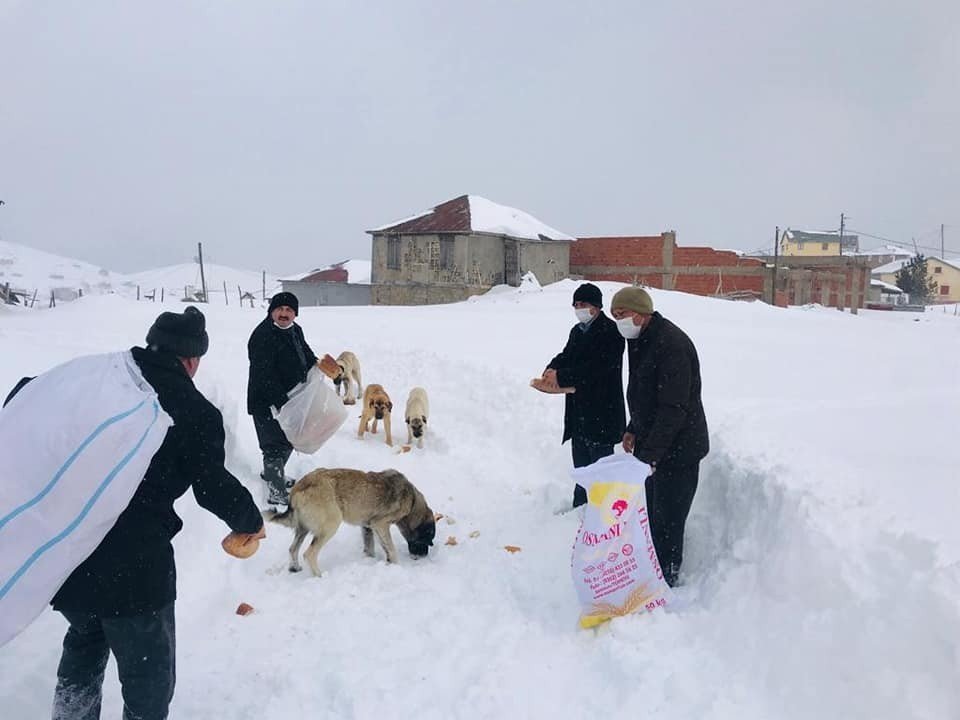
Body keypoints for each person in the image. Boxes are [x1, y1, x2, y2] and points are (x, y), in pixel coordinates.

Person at [48, 306, 265, 720]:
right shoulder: (193, 409)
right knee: (148, 676)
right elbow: (211, 485)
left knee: (84, 641)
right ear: (191, 359)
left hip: (74, 552)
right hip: (135, 568)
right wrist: (249, 520)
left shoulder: (103, 381)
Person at [610, 286, 709, 587]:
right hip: (656, 446)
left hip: (680, 450)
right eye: (615, 316)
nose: (618, 321)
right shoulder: (640, 338)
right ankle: (653, 568)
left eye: (621, 314)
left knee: (669, 520)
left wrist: (650, 456)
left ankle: (667, 578)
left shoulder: (672, 345)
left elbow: (673, 410)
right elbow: (645, 395)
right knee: (653, 515)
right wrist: (632, 428)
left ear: (640, 313)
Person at [541, 282, 625, 507]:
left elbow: (597, 369)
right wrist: (551, 368)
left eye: (584, 304)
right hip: (579, 416)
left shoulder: (612, 332)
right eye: (576, 304)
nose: (579, 308)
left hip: (602, 414)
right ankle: (578, 512)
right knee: (581, 472)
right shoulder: (577, 331)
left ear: (596, 307)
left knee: (600, 474)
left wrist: (563, 377)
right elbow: (567, 355)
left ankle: (602, 518)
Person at [246, 291, 318, 507]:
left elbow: (304, 352)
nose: (284, 313)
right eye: (280, 309)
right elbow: (263, 374)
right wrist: (281, 402)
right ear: (272, 311)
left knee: (287, 440)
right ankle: (276, 489)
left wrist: (316, 364)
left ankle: (273, 474)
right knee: (273, 444)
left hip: (290, 399)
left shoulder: (296, 330)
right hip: (266, 402)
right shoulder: (263, 335)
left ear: (295, 314)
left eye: (289, 310)